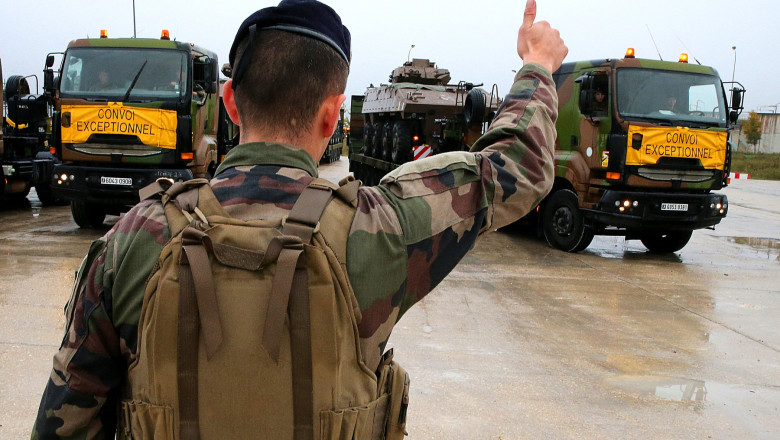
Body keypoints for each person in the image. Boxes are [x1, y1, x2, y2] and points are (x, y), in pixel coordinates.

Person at [31, 0, 567, 438]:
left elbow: (66, 420)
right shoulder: (380, 230)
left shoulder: (133, 239)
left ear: (230, 103)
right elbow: (517, 166)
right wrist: (537, 65)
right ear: (332, 116)